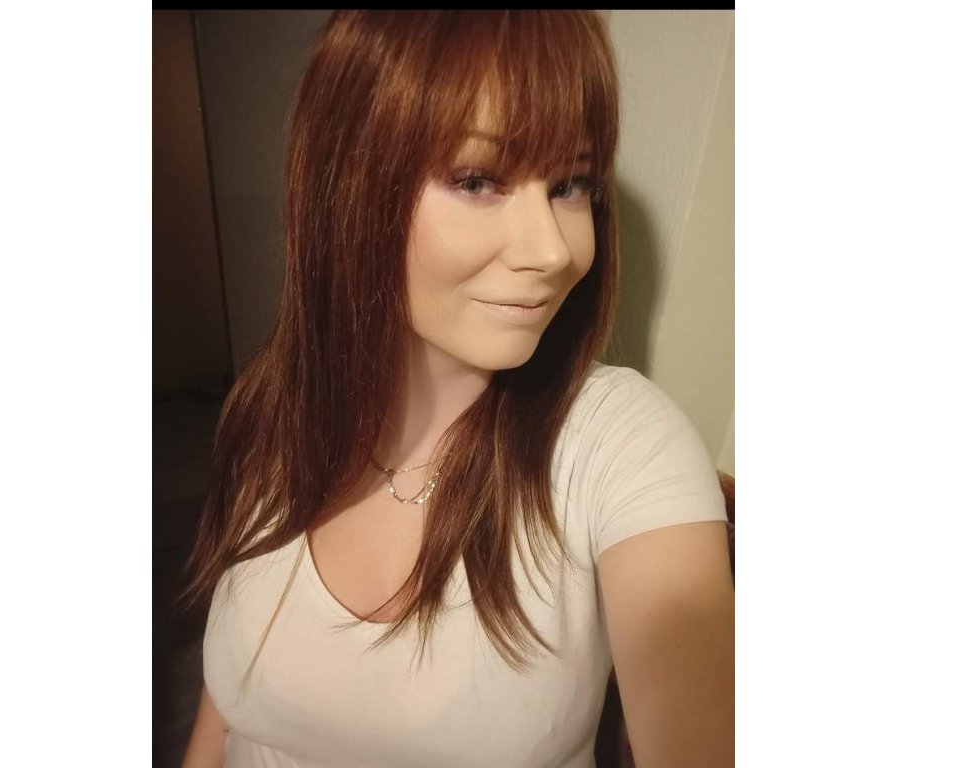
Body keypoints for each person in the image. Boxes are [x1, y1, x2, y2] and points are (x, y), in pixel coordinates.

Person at [179, 10, 734, 768]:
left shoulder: (621, 445)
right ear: (348, 185)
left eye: (570, 184)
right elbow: (231, 699)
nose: (552, 250)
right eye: (478, 180)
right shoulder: (273, 409)